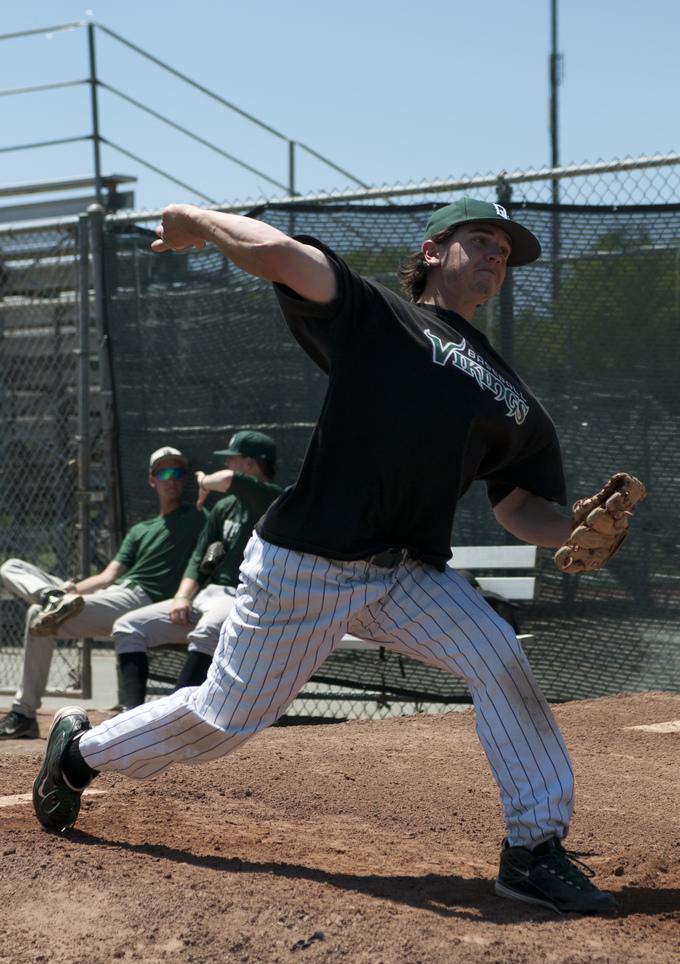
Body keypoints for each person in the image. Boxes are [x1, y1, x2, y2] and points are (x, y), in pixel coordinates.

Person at [33, 198, 618, 915]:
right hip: (306, 563)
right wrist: (196, 218)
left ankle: (533, 850)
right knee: (224, 719)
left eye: (506, 248)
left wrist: (580, 531)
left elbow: (517, 507)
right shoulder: (380, 315)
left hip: (405, 573)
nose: (498, 254)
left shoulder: (514, 398)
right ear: (433, 250)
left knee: (498, 653)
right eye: (482, 239)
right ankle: (78, 753)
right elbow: (279, 255)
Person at [0, 447, 206, 739]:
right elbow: (107, 576)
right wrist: (69, 588)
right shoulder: (140, 530)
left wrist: (206, 486)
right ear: (152, 480)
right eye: (164, 473)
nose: (171, 479)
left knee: (38, 614)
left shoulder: (198, 518)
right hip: (113, 593)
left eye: (178, 473)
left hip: (140, 601)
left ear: (186, 479)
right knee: (13, 568)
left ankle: (22, 711)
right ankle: (51, 596)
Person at [112, 431, 282, 709]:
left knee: (208, 630)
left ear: (251, 463)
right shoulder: (224, 508)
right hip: (208, 596)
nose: (227, 464)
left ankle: (174, 714)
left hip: (244, 598)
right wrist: (182, 597)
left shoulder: (274, 500)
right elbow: (199, 560)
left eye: (233, 459)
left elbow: (228, 480)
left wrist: (204, 482)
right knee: (128, 627)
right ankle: (130, 713)